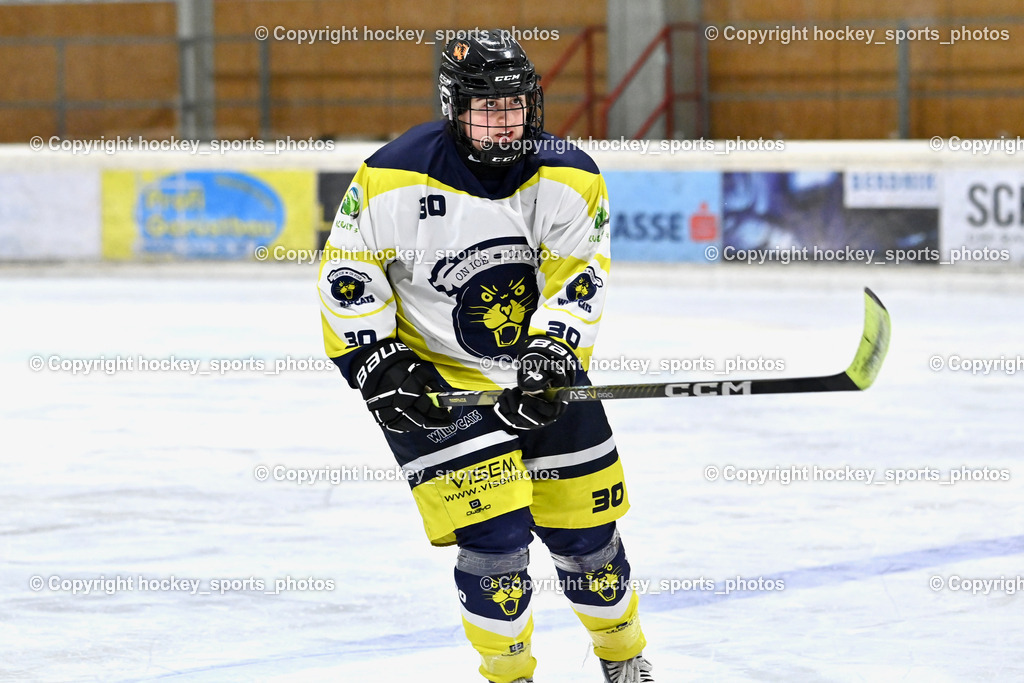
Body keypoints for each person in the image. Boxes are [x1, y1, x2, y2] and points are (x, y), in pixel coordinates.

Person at [318, 29, 653, 683]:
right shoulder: (391, 176)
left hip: (541, 378)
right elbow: (348, 276)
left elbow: (576, 283)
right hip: (437, 382)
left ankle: (624, 657)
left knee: (589, 540)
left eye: (515, 104)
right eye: (486, 106)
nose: (505, 119)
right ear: (454, 107)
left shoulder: (570, 176)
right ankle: (510, 674)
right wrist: (382, 366)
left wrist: (550, 358)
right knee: (494, 545)